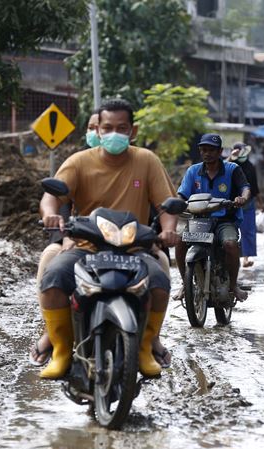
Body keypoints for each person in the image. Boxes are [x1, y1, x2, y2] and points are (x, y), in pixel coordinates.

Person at [38, 99, 180, 379]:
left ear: (133, 130)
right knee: (53, 278)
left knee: (160, 283)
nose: (114, 133)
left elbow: (165, 205)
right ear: (98, 130)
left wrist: (168, 229)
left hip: (134, 248)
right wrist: (50, 214)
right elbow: (51, 197)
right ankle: (62, 351)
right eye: (107, 127)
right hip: (86, 248)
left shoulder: (147, 160)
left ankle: (145, 346)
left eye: (121, 127)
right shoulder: (78, 162)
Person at [29, 112, 102, 366]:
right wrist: (64, 236)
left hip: (125, 242)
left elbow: (152, 210)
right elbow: (59, 205)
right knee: (50, 255)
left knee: (158, 264)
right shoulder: (77, 164)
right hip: (79, 239)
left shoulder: (138, 164)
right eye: (92, 127)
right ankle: (52, 330)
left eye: (100, 127)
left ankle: (149, 340)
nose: (98, 132)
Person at [175, 134, 251, 302]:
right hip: (199, 220)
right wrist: (179, 203)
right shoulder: (193, 171)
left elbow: (245, 187)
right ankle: (184, 283)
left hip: (225, 220)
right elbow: (182, 194)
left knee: (231, 245)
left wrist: (242, 198)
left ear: (220, 151)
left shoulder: (232, 169)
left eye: (211, 150)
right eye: (203, 150)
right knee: (180, 242)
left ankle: (233, 286)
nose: (207, 153)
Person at [229, 142, 264, 268]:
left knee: (248, 231)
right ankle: (231, 259)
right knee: (230, 231)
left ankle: (245, 259)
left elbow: (254, 186)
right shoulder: (230, 166)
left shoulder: (250, 166)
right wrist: (231, 157)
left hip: (248, 203)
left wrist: (260, 202)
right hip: (231, 203)